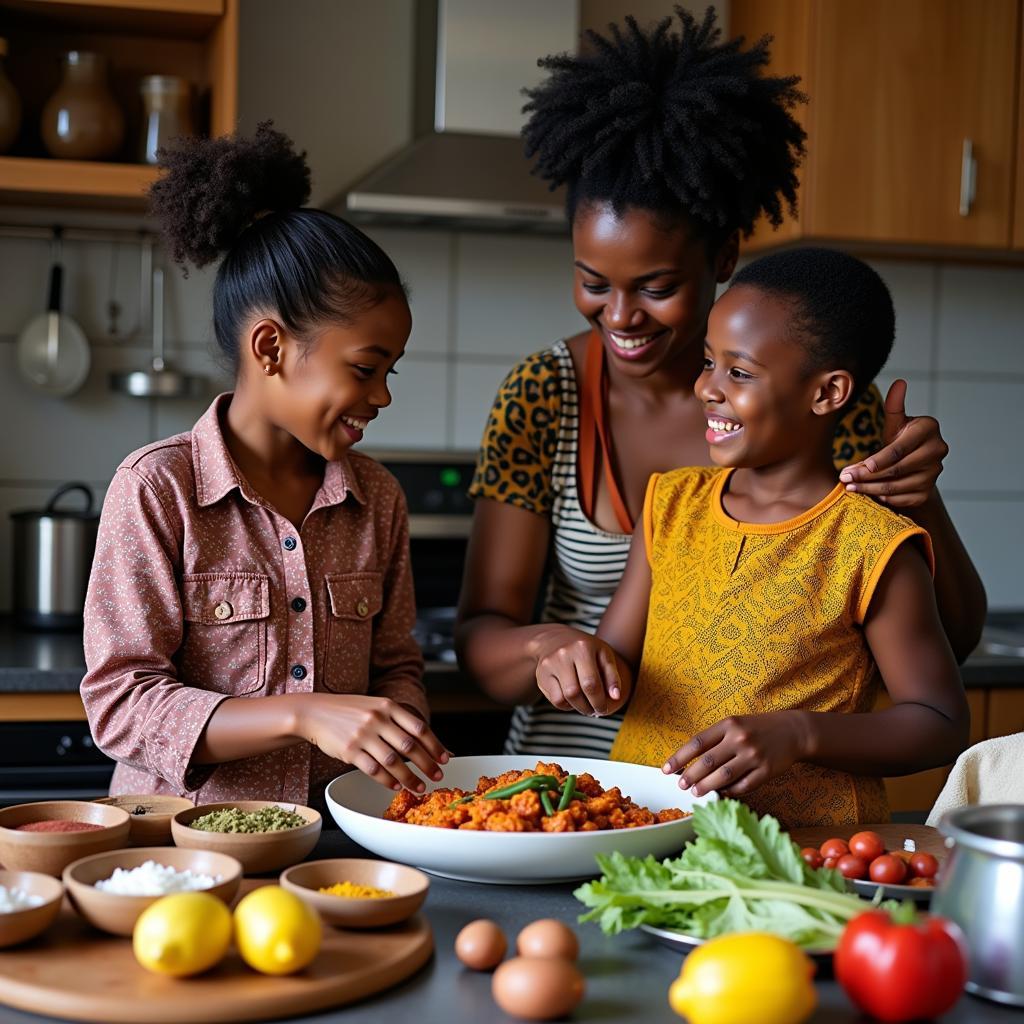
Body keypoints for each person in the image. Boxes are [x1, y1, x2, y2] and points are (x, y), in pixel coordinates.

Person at [456, 7, 985, 760]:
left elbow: (942, 656)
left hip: (768, 796)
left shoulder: (831, 412)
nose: (621, 315)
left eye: (657, 284)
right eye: (592, 282)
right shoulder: (546, 392)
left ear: (724, 256)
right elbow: (484, 633)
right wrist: (552, 648)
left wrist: (920, 497)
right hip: (586, 777)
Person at [535, 247, 970, 828]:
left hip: (803, 852)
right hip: (650, 831)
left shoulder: (873, 541)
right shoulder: (671, 502)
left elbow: (939, 721)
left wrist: (799, 732)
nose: (707, 388)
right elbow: (617, 664)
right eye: (708, 362)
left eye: (738, 373)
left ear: (827, 393)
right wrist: (578, 664)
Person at [81, 124, 448, 806]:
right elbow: (120, 704)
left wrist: (399, 729)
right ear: (271, 347)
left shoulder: (379, 498)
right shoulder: (159, 489)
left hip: (340, 838)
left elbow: (397, 667)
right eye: (366, 368)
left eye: (390, 370)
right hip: (183, 848)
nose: (384, 394)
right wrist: (304, 714)